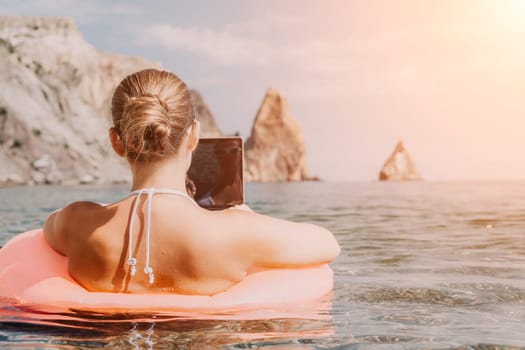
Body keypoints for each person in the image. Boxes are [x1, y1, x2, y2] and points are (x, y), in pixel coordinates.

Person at [43, 69, 340, 295]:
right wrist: (241, 218)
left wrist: (109, 210)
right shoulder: (235, 232)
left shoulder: (76, 223)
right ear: (194, 136)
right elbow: (328, 244)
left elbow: (46, 232)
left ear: (116, 142)